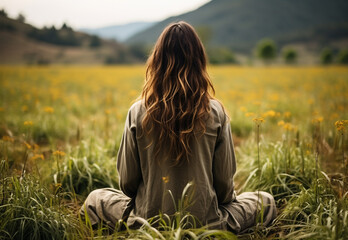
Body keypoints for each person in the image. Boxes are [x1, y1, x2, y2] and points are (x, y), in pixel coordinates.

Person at [80, 21, 277, 234]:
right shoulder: (216, 112)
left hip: (147, 225)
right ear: (199, 61)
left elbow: (127, 184)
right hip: (207, 226)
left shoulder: (137, 112)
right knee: (265, 201)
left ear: (157, 61)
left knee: (96, 199)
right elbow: (224, 190)